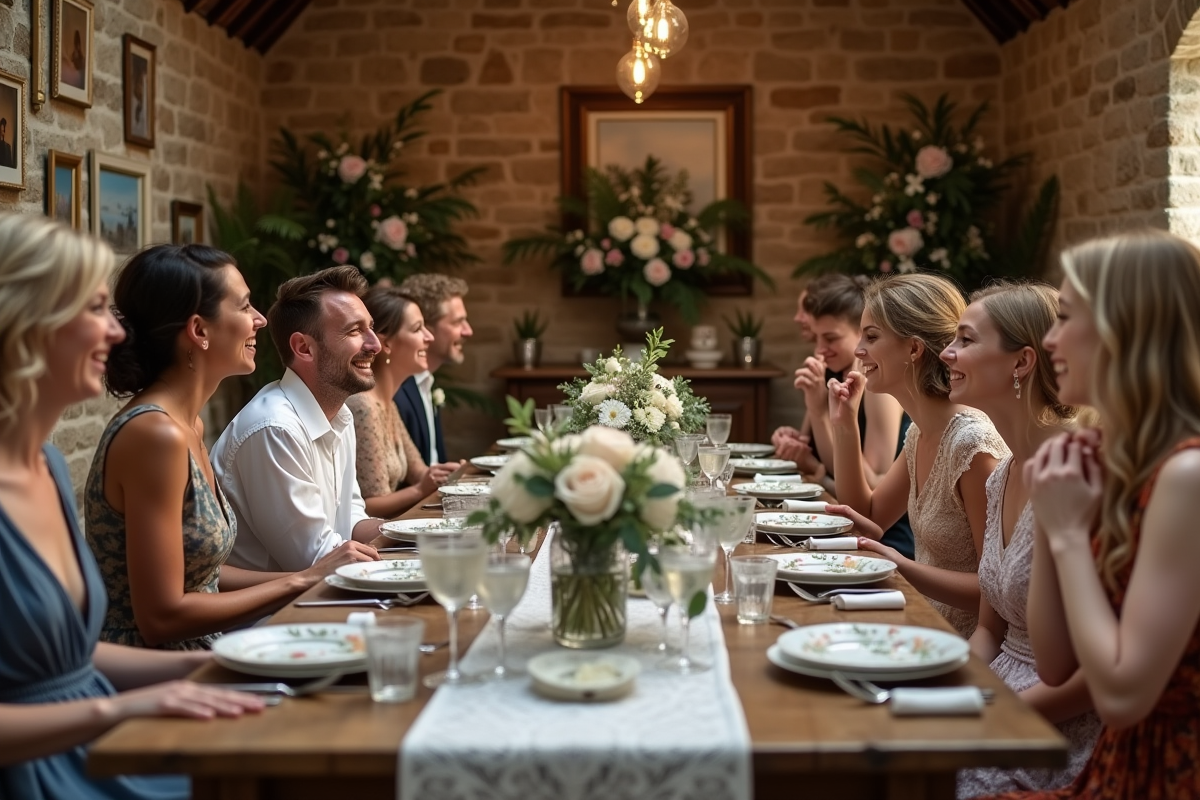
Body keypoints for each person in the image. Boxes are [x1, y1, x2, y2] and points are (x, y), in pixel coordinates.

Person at [0, 214, 263, 799]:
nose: (116, 333)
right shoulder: (149, 433)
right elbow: (155, 619)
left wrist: (219, 666)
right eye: (94, 309)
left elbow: (73, 663)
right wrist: (118, 710)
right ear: (25, 324)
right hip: (51, 765)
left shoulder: (46, 465)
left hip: (97, 738)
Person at [981, 232, 1200, 799]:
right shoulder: (1119, 461)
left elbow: (1122, 695)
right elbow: (1056, 663)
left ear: (1125, 328)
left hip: (1164, 774)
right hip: (1119, 764)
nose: (1051, 339)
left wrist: (1069, 534)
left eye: (1065, 317)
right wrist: (1052, 516)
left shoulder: (1186, 473)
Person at [84, 245, 378, 651]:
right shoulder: (155, 434)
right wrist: (304, 579)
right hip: (158, 663)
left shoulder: (188, 424)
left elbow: (205, 577)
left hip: (207, 644)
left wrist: (317, 574)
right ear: (199, 331)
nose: (260, 319)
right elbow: (161, 619)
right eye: (243, 306)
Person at [940, 283, 1100, 797]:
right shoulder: (1002, 477)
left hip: (1060, 724)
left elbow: (1096, 676)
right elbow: (990, 630)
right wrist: (953, 688)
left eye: (966, 340)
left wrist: (992, 716)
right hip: (1000, 690)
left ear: (1022, 361)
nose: (947, 353)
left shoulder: (1083, 472)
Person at [824, 273, 1007, 637]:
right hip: (921, 625)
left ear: (913, 349)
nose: (858, 350)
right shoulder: (919, 433)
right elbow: (868, 514)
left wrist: (900, 565)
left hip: (961, 643)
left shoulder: (971, 445)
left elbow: (997, 594)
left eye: (871, 336)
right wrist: (844, 426)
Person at [211, 266, 386, 572]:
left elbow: (350, 519)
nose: (375, 345)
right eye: (354, 331)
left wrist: (417, 532)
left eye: (370, 328)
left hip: (321, 591)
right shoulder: (275, 428)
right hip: (282, 603)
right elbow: (315, 558)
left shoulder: (340, 415)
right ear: (304, 348)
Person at [772, 274, 915, 559]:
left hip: (887, 536)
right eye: (816, 338)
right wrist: (798, 439)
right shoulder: (834, 374)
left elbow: (871, 483)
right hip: (845, 518)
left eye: (831, 338)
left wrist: (820, 414)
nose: (819, 349)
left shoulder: (879, 385)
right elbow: (817, 452)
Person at [349, 285, 461, 518]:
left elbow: (420, 472)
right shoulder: (363, 406)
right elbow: (369, 506)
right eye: (418, 329)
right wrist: (420, 489)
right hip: (375, 534)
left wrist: (452, 473)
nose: (429, 337)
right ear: (386, 344)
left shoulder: (387, 404)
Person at [393, 273, 472, 465]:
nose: (468, 331)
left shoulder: (425, 382)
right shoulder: (397, 392)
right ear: (426, 328)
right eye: (457, 322)